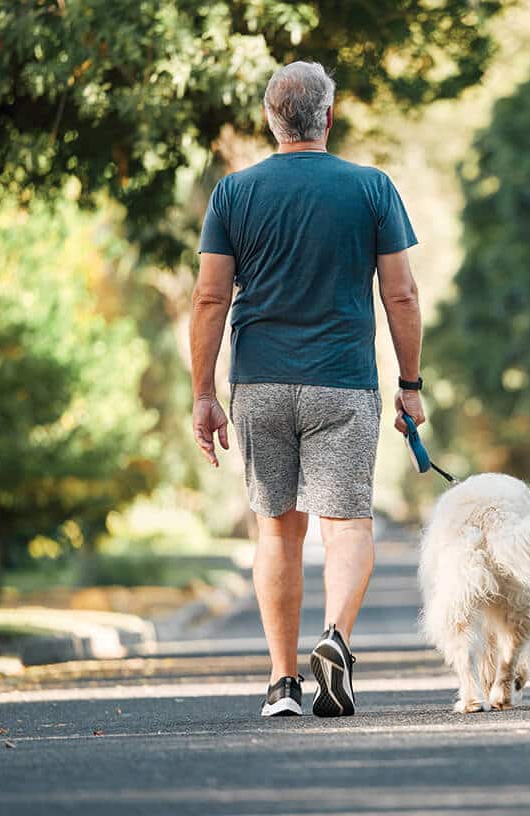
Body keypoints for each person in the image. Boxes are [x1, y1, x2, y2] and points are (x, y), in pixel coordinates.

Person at [188, 61, 425, 718]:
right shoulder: (371, 188)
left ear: (271, 119)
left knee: (277, 532)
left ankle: (282, 682)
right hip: (342, 383)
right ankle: (336, 638)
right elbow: (402, 294)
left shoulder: (233, 193)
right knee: (346, 525)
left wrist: (203, 394)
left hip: (260, 381)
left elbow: (209, 297)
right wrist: (410, 385)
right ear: (330, 115)